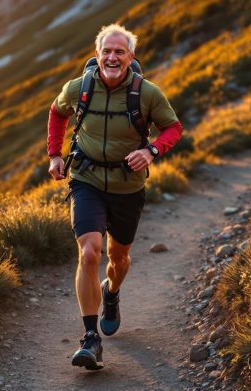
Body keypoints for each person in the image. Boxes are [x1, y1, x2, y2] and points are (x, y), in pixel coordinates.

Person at [45, 24, 184, 370]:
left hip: (127, 186)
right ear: (97, 55)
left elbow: (174, 128)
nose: (112, 57)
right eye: (106, 51)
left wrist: (151, 150)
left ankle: (112, 292)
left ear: (131, 57)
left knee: (118, 259)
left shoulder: (146, 93)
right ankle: (90, 339)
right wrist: (54, 155)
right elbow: (56, 112)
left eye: (119, 52)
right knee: (89, 251)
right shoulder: (80, 88)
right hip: (86, 179)